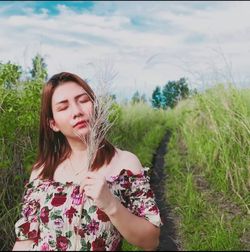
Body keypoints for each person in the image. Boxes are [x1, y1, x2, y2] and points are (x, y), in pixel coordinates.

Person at [12, 72, 162, 251]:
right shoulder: (42, 171)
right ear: (53, 124)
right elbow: (25, 241)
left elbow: (151, 241)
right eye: (63, 107)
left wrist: (110, 204)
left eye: (83, 100)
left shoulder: (125, 164)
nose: (77, 111)